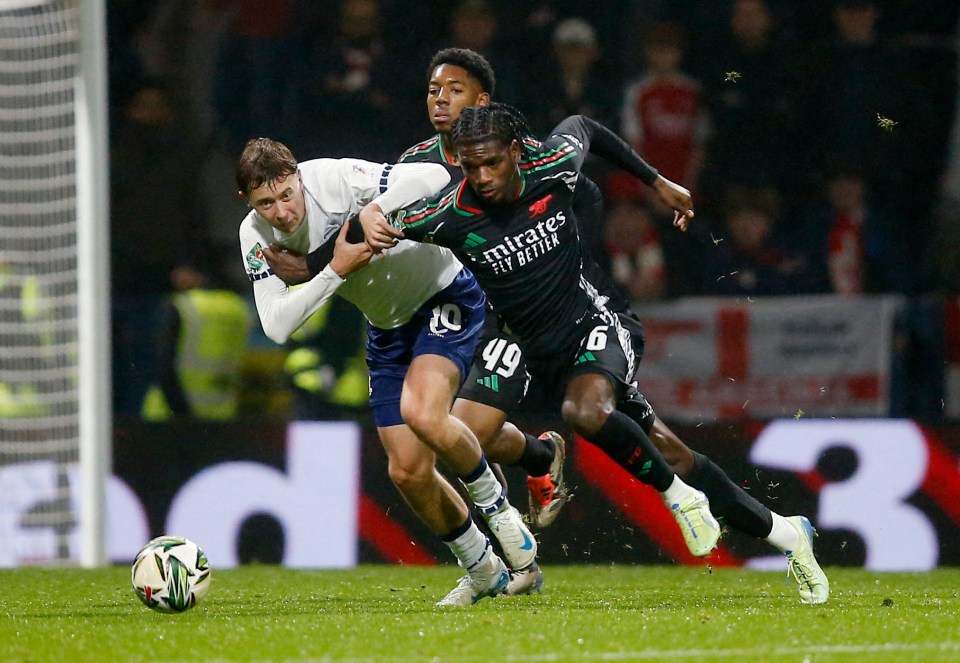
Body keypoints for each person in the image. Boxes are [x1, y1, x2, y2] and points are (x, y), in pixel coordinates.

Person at [357, 104, 830, 604]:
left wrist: (656, 181)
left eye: (491, 163)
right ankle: (783, 532)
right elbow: (365, 233)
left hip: (592, 325)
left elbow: (585, 126)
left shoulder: (552, 165)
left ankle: (688, 500)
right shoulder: (449, 212)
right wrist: (360, 225)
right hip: (519, 343)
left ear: (515, 152)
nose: (482, 177)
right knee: (462, 437)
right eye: (470, 167)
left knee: (588, 414)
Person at [268, 48, 571, 533]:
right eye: (434, 91)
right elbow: (381, 236)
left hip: (510, 308)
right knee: (442, 433)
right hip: (447, 302)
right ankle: (534, 465)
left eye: (455, 90)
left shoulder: (517, 154)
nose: (441, 101)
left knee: (463, 431)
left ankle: (527, 477)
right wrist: (317, 263)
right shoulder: (414, 166)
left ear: (483, 99)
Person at [235, 137, 539, 606]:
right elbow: (277, 324)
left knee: (423, 412)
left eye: (286, 194)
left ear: (298, 175)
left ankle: (498, 511)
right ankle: (483, 570)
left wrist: (376, 209)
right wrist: (333, 270)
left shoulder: (335, 179)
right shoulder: (254, 234)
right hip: (387, 327)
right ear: (249, 202)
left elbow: (436, 176)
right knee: (407, 472)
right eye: (265, 203)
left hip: (443, 294)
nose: (280, 212)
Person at [141, 262, 252, 420]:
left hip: (170, 415)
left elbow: (164, 365)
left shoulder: (183, 306)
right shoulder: (238, 308)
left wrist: (182, 413)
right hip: (220, 413)